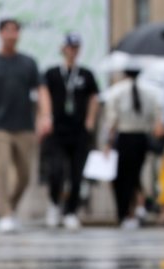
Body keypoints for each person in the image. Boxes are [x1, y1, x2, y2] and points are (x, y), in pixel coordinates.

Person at [0, 18, 52, 234]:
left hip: (24, 126)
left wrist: (45, 116)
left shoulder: (28, 62)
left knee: (26, 175)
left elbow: (41, 90)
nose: (12, 34)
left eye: (15, 30)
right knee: (0, 171)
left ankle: (9, 208)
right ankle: (5, 214)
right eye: (8, 30)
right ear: (0, 34)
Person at [39, 33, 99, 231]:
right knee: (56, 170)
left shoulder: (86, 74)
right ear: (63, 49)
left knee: (76, 173)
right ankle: (54, 204)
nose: (72, 51)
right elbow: (43, 94)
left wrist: (90, 120)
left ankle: (71, 211)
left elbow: (94, 98)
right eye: (69, 47)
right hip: (57, 130)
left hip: (79, 130)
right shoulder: (53, 73)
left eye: (75, 47)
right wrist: (46, 117)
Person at [104, 66, 162, 229]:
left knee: (123, 177)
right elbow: (155, 118)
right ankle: (135, 209)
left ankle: (125, 212)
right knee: (135, 175)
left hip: (125, 136)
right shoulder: (150, 93)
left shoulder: (116, 91)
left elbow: (111, 120)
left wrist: (108, 143)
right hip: (141, 137)